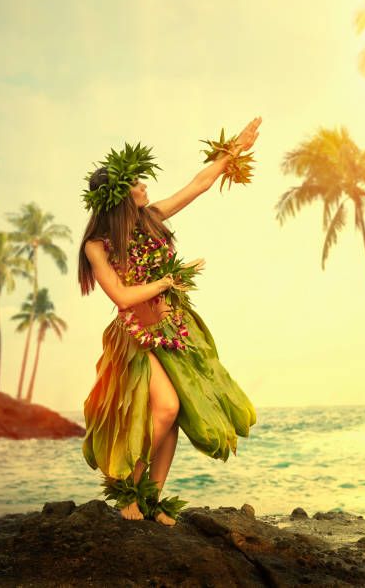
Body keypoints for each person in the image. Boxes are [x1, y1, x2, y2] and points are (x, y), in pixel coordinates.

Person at [78, 117, 261, 527]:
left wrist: (233, 150)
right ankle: (130, 489)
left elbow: (197, 184)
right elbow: (122, 297)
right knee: (165, 407)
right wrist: (166, 280)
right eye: (138, 185)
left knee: (172, 415)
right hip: (136, 339)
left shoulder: (154, 218)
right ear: (122, 196)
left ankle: (150, 502)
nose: (146, 188)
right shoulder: (97, 246)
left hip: (174, 330)